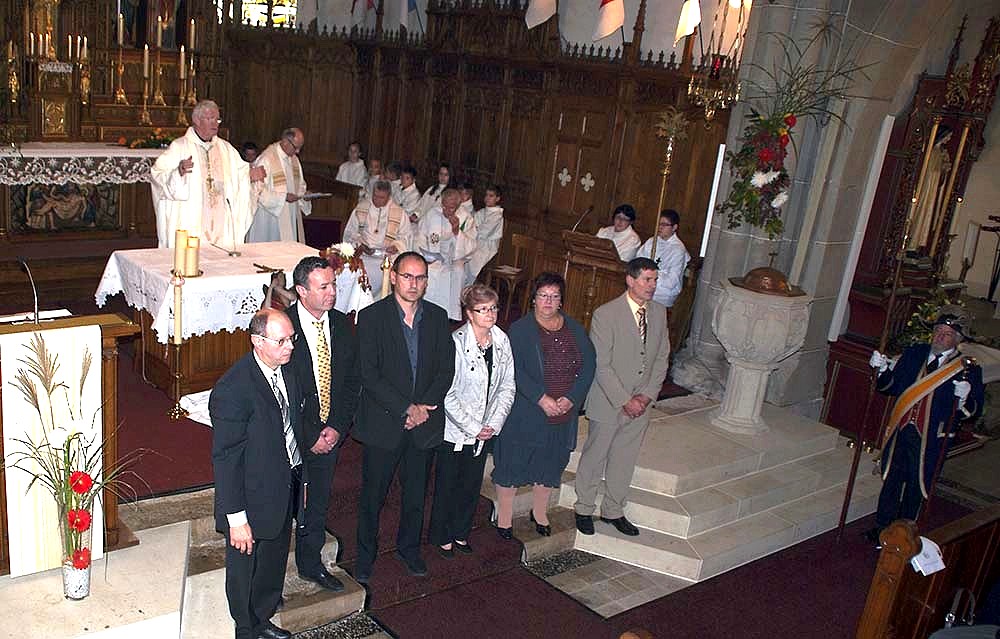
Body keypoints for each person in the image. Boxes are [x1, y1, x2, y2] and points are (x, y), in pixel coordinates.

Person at [352, 252, 456, 583]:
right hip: (385, 422)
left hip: (424, 424)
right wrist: (406, 408)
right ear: (394, 277)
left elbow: (446, 370)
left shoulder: (437, 317)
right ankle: (365, 556)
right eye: (408, 276)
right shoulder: (372, 317)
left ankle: (409, 549)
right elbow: (369, 373)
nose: (414, 284)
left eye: (420, 277)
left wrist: (422, 407)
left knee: (415, 494)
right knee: (373, 496)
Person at [210, 308, 303, 639]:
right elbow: (226, 459)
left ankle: (263, 617)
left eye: (291, 338)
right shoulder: (233, 389)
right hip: (249, 496)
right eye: (282, 341)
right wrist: (236, 519)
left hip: (283, 485)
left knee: (273, 560)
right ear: (257, 342)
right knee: (244, 570)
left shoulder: (286, 370)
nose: (290, 346)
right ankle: (246, 628)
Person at [865, 306, 984, 547]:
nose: (940, 336)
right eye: (938, 331)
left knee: (917, 485)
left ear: (958, 339)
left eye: (947, 334)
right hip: (902, 430)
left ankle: (904, 533)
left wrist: (965, 398)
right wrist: (882, 371)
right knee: (892, 480)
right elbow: (891, 387)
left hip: (932, 437)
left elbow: (973, 412)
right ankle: (882, 527)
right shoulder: (915, 353)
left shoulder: (967, 368)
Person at [492, 272, 596, 539]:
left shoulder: (575, 329)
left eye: (554, 296)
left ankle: (539, 512)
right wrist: (541, 398)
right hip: (526, 412)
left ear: (561, 300)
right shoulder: (520, 329)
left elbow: (589, 366)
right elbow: (514, 369)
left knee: (550, 464)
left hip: (562, 413)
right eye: (543, 296)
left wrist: (572, 398)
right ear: (534, 299)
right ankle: (504, 517)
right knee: (513, 463)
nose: (548, 301)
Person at [574, 257, 670, 537]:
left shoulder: (659, 313)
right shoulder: (606, 314)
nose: (652, 285)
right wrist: (625, 400)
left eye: (655, 280)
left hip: (642, 402)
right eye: (647, 280)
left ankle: (614, 510)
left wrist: (646, 396)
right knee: (596, 456)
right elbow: (601, 364)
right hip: (609, 400)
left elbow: (662, 358)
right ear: (630, 280)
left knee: (624, 458)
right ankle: (584, 508)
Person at [283, 256, 361, 591]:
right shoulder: (283, 327)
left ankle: (311, 564)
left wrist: (336, 428)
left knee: (317, 503)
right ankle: (270, 579)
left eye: (334, 285)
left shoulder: (342, 325)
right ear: (301, 291)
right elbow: (280, 391)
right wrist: (309, 434)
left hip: (330, 433)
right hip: (291, 436)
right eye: (323, 287)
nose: (332, 292)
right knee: (281, 508)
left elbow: (351, 382)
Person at [429, 284, 516, 557]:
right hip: (457, 430)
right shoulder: (456, 343)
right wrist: (474, 427)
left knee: (470, 485)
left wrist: (494, 424)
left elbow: (507, 386)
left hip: (486, 428)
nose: (490, 314)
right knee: (448, 485)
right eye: (483, 310)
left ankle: (460, 532)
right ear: (469, 313)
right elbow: (448, 394)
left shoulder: (501, 340)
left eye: (494, 308)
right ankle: (442, 535)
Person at [150, 99, 265, 248]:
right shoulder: (179, 147)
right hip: (192, 221)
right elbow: (157, 175)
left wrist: (250, 175)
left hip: (220, 220)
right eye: (210, 119)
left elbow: (239, 175)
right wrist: (178, 173)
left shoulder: (225, 149)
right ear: (197, 120)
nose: (215, 123)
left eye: (217, 119)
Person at [414, 188, 477, 320]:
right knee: (429, 270)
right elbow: (420, 235)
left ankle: (450, 314)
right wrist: (424, 254)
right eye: (444, 206)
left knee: (458, 271)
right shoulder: (432, 214)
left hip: (454, 260)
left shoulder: (466, 218)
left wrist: (457, 232)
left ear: (458, 206)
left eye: (451, 208)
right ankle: (426, 311)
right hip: (433, 258)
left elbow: (471, 246)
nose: (446, 210)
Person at [342, 180, 412, 296]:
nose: (377, 200)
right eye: (375, 196)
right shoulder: (361, 208)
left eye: (381, 197)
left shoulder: (399, 213)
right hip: (363, 256)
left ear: (389, 196)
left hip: (385, 258)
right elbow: (350, 233)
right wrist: (360, 245)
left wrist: (396, 246)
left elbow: (406, 236)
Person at [246, 128, 312, 243]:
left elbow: (300, 185)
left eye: (300, 147)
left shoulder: (294, 160)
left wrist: (304, 196)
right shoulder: (266, 158)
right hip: (268, 219)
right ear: (285, 142)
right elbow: (257, 190)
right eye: (296, 147)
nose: (298, 151)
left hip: (289, 214)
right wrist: (283, 197)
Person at [636, 209, 691, 314]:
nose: (660, 227)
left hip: (664, 292)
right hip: (646, 283)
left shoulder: (678, 249)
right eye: (659, 224)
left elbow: (672, 282)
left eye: (664, 225)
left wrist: (650, 275)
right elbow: (637, 261)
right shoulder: (652, 241)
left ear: (674, 227)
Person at [465, 184, 504, 286]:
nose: (487, 198)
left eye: (491, 196)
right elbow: (471, 227)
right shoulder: (481, 212)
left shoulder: (497, 215)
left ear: (497, 199)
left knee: (472, 258)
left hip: (487, 247)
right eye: (486, 195)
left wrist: (475, 230)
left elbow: (484, 232)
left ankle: (470, 285)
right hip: (475, 242)